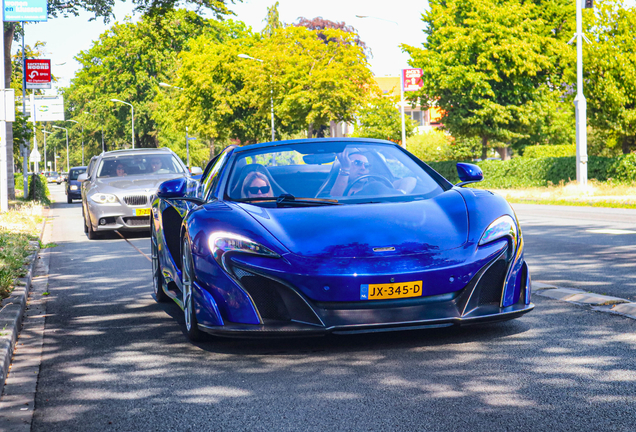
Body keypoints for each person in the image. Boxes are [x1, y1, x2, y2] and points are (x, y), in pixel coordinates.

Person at [330, 148, 416, 197]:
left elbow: (411, 180)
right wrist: (345, 168)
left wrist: (401, 194)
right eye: (357, 163)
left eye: (367, 165)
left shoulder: (376, 183)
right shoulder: (337, 187)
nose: (363, 168)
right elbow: (336, 199)